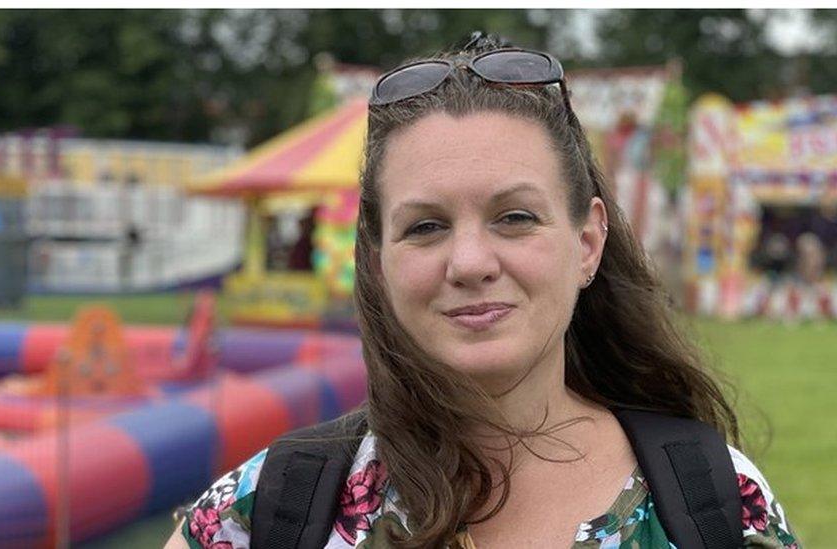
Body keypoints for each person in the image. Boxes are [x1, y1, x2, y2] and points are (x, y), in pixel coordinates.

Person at [166, 35, 799, 548]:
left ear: (587, 242)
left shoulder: (714, 502)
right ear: (378, 260)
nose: (469, 262)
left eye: (515, 217)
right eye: (426, 226)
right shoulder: (267, 510)